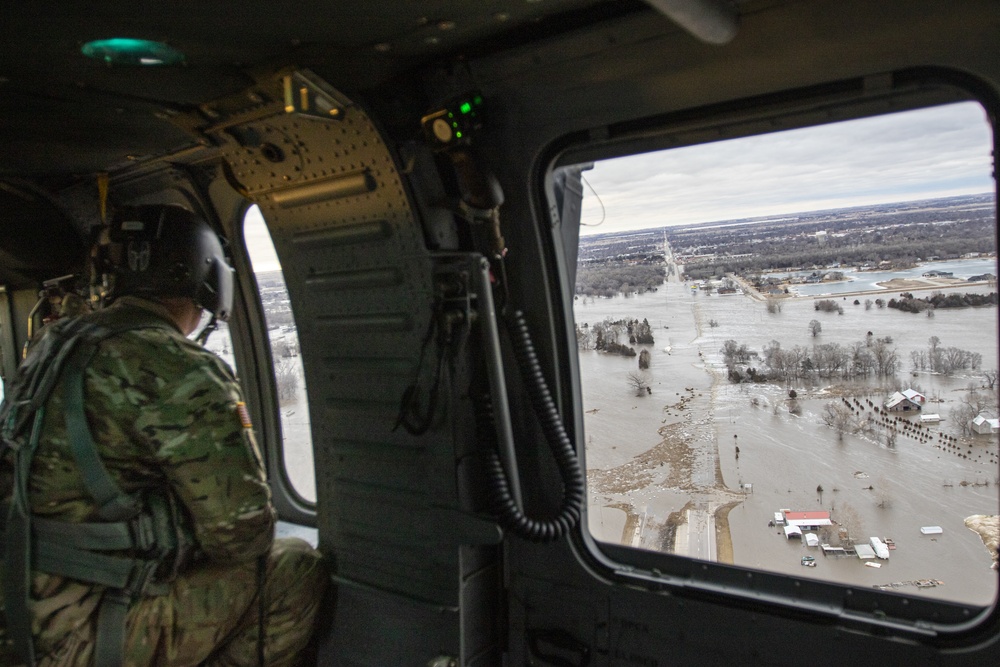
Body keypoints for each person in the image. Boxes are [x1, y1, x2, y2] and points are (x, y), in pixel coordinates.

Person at [0, 205, 326, 666]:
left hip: (16, 612)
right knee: (294, 566)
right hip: (78, 639)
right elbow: (244, 537)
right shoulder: (181, 367)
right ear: (207, 280)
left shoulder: (53, 347)